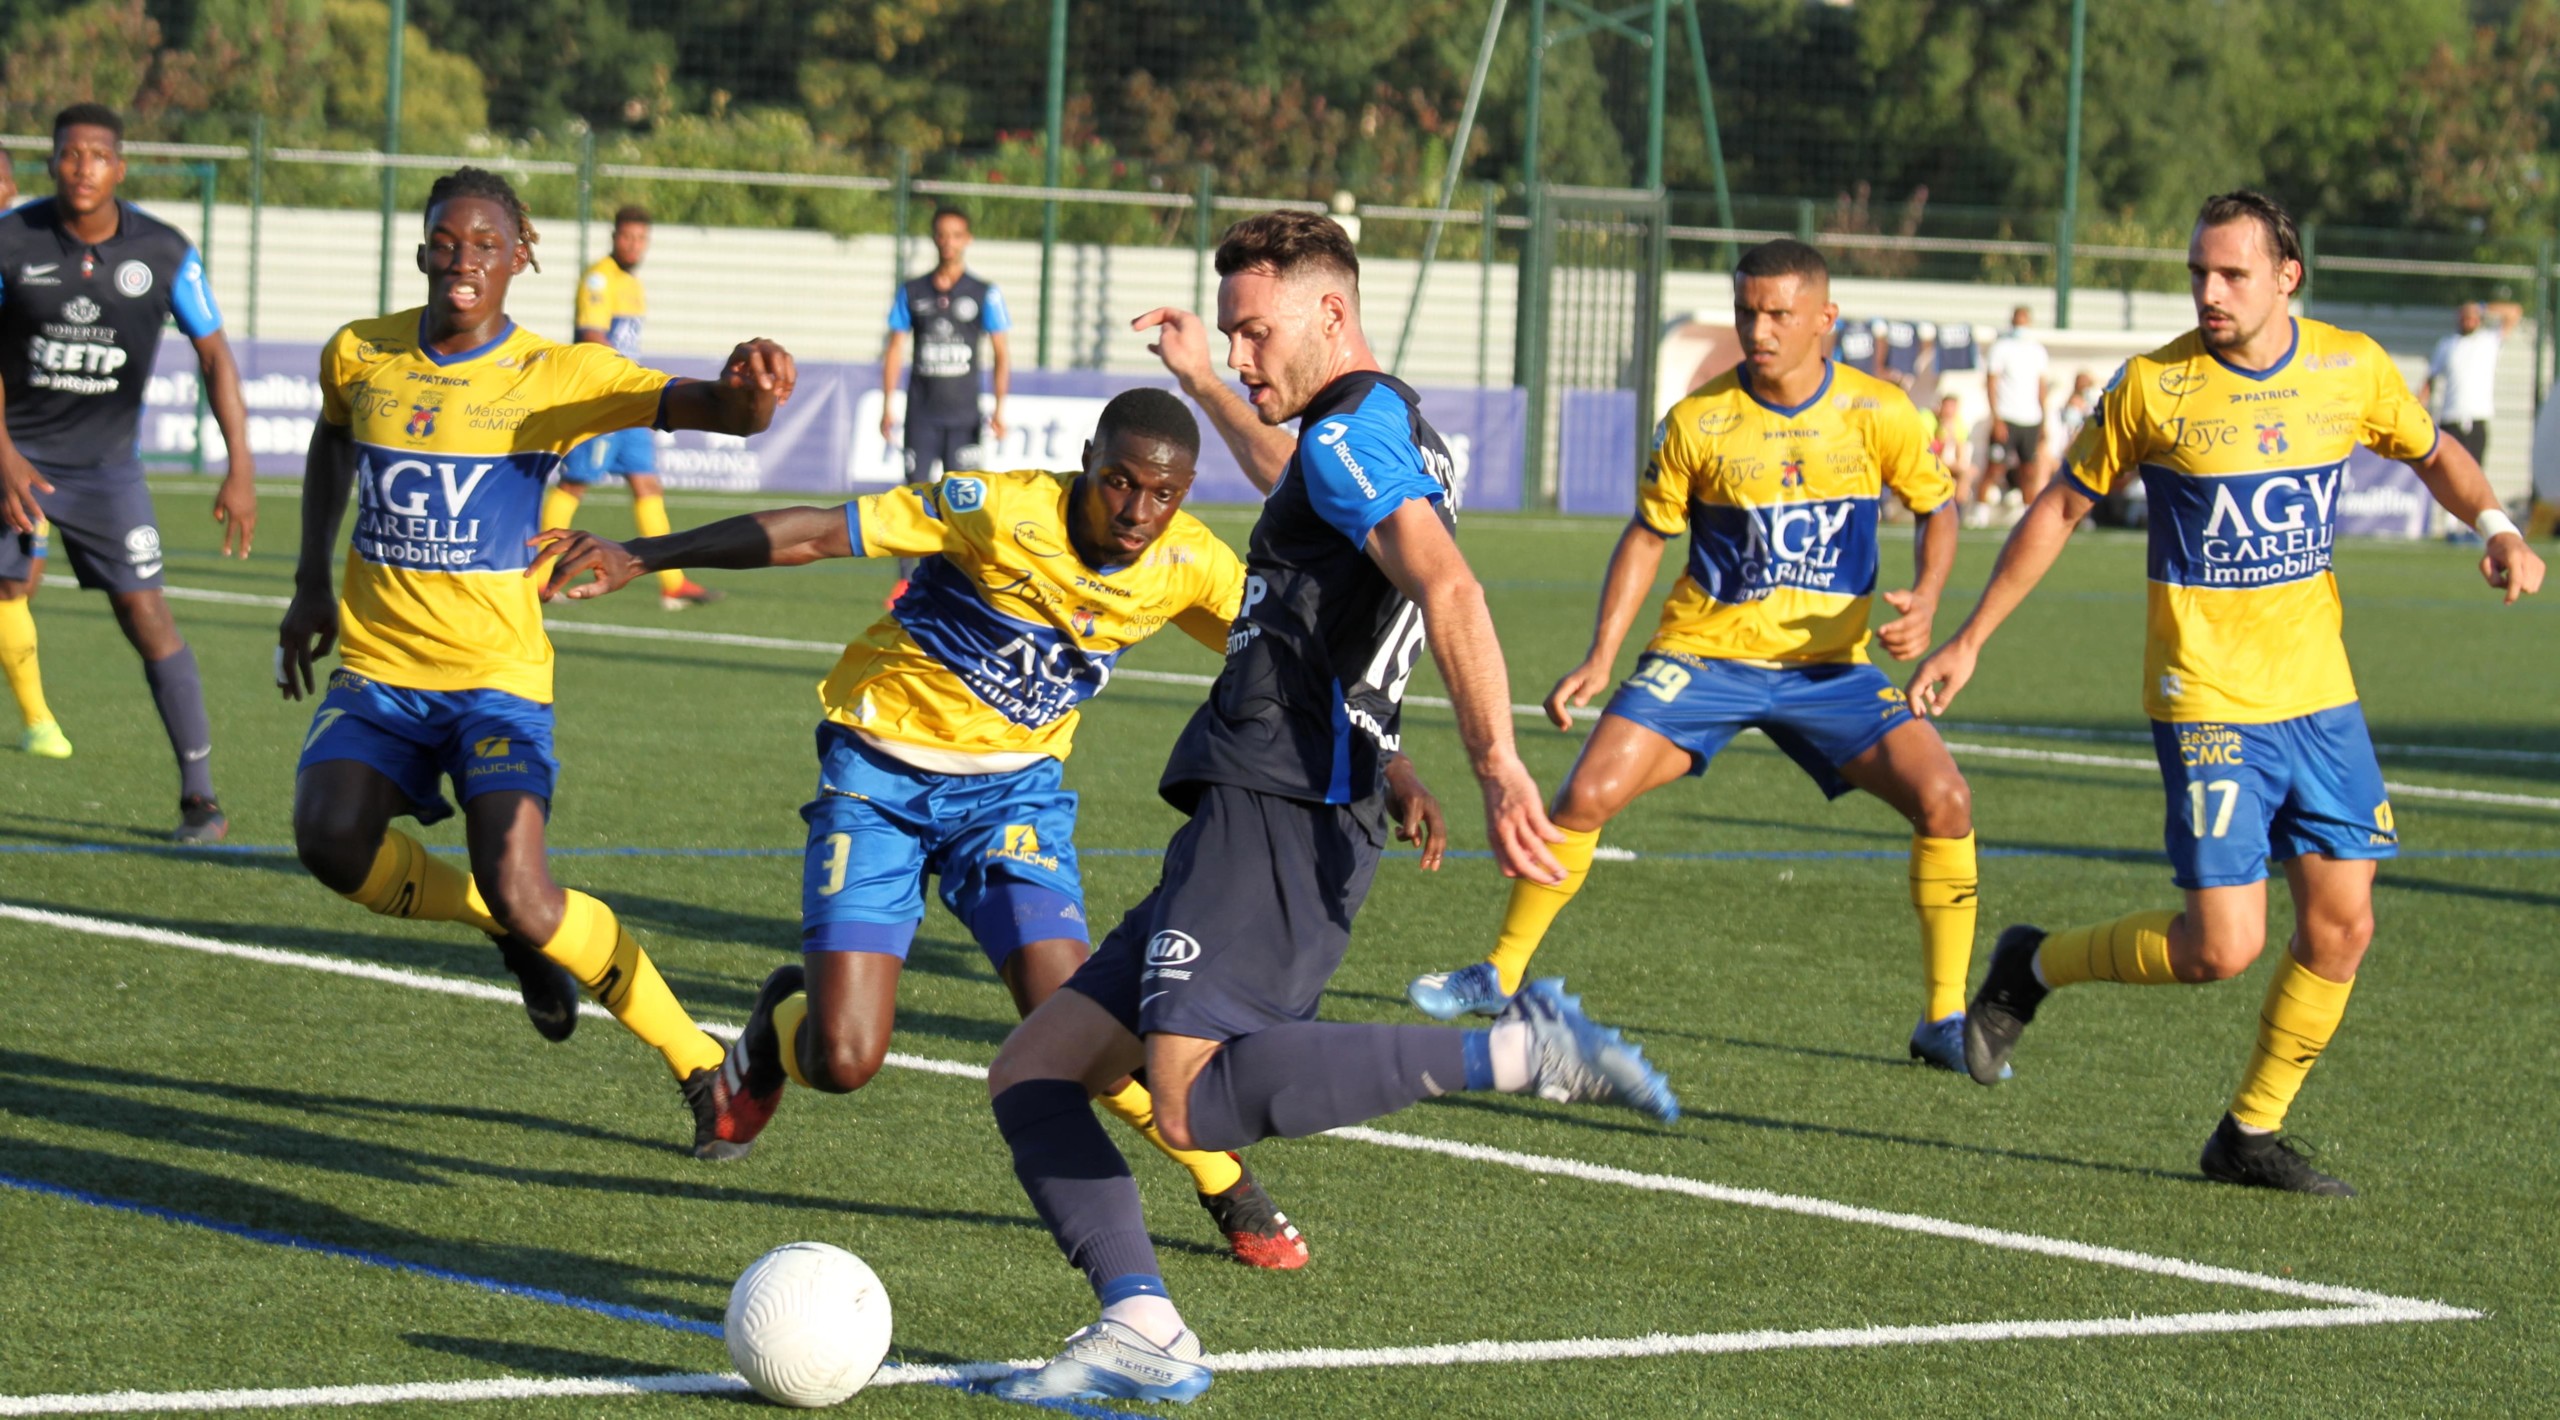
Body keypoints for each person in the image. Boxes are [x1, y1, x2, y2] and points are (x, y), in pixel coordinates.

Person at [980, 212, 1677, 1406]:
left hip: (1281, 792)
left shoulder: (1354, 432)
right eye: (1236, 337)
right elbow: (1292, 481)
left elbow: (1444, 581)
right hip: (1283, 787)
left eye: (1256, 331)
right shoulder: (1374, 430)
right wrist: (1202, 378)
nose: (1246, 354)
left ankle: (1519, 1051)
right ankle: (1142, 1319)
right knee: (1037, 1071)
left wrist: (1497, 760)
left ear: (1329, 314)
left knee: (1193, 1091)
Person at [530, 388, 1313, 1266]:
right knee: (845, 1058)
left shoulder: (1189, 564)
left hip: (1011, 799)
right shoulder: (1000, 510)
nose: (1135, 511)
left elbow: (1282, 655)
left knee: (1077, 1029)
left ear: (1187, 493)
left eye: (1160, 495)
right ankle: (775, 1035)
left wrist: (1387, 762)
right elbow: (822, 532)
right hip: (879, 779)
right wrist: (642, 554)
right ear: (1086, 461)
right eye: (1117, 482)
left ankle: (1223, 1180)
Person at [1907, 190, 2545, 1196]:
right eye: (2199, 272)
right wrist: (1971, 638)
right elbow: (2061, 504)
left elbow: (2435, 454)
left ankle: (2247, 1132)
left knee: (2342, 926)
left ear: (2286, 277)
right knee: (2222, 947)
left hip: (2319, 699)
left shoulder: (2347, 367)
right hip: (2204, 700)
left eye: (2231, 273)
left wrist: (2498, 527)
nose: (2209, 290)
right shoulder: (2156, 388)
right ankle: (2032, 965)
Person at [274, 166, 799, 1160]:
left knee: (527, 886)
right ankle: (504, 929)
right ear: (423, 244)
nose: (462, 260)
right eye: (445, 239)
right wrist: (308, 583)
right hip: (379, 668)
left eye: (485, 244)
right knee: (327, 841)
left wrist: (753, 396)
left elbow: (714, 410)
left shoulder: (558, 375)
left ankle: (702, 1068)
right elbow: (330, 446)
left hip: (495, 681)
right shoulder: (360, 353)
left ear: (520, 258)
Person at [1404, 239, 1985, 1074]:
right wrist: (1602, 656)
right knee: (1589, 790)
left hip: (1831, 670)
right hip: (1704, 657)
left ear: (1826, 320)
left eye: (1780, 313)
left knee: (1946, 799)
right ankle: (1499, 972)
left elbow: (1940, 508)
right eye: (1748, 310)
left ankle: (1942, 1016)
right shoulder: (1699, 420)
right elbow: (1648, 537)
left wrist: (1928, 595)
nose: (1760, 328)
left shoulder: (1880, 413)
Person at [0, 103, 256, 834]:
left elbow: (214, 355)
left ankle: (200, 796)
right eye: (70, 154)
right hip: (11, 455)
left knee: (145, 614)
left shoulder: (167, 251)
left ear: (120, 166)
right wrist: (5, 457)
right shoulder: (10, 241)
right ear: (51, 163)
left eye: (98, 155)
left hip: (107, 472)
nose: (84, 167)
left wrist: (240, 467)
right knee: (9, 586)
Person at [539, 205, 719, 611]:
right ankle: (542, 576)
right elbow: (591, 337)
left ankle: (672, 585)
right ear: (614, 236)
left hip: (629, 398)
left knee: (647, 484)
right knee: (575, 484)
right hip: (601, 398)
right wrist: (630, 377)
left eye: (641, 238)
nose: (634, 245)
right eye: (628, 237)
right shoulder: (600, 278)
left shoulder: (633, 284)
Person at [880, 206, 1010, 599]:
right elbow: (895, 348)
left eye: (956, 235)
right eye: (942, 235)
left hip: (965, 416)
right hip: (921, 414)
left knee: (964, 500)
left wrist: (1001, 407)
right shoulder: (912, 291)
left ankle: (960, 580)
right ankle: (906, 579)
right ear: (934, 238)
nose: (948, 242)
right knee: (914, 495)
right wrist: (888, 403)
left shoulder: (984, 292)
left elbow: (1002, 352)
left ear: (967, 240)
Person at [2422, 300, 2520, 464]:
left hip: (2475, 422)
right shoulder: (2447, 345)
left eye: (2472, 316)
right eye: (2465, 316)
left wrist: (2482, 307)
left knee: (2473, 474)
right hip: (2449, 420)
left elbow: (2514, 312)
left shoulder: (2489, 341)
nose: (2468, 320)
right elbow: (2430, 380)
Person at [1982, 304, 2052, 518]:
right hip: (2007, 416)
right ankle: (1980, 510)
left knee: (2028, 469)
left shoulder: (2038, 350)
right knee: (1995, 466)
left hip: (2030, 419)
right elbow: (1991, 383)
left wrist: (2044, 420)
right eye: (2017, 320)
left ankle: (2027, 512)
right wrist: (1996, 418)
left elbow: (2041, 388)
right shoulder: (2001, 348)